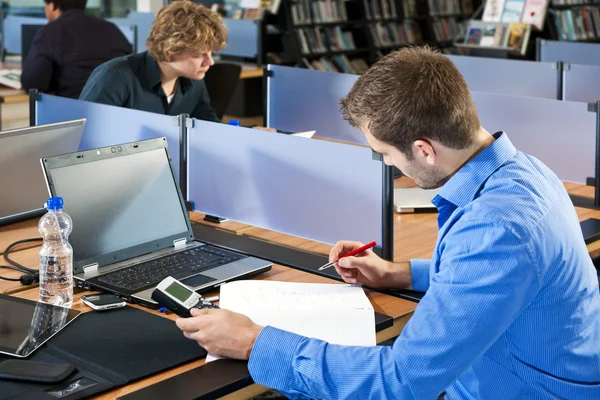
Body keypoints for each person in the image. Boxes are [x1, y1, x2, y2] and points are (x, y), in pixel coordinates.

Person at [176, 46, 600, 399]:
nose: (387, 165)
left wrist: (253, 341)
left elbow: (400, 382)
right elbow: (492, 281)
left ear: (424, 149)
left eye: (386, 154)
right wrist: (398, 274)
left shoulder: (496, 227)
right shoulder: (521, 169)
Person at [79, 0, 223, 123]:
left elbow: (210, 128)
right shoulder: (115, 76)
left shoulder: (194, 79)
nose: (210, 62)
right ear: (169, 51)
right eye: (198, 55)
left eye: (210, 53)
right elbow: (87, 134)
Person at [21, 0, 131, 99]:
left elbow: (32, 84)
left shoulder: (50, 31)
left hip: (74, 113)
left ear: (52, 6)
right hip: (116, 113)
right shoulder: (112, 29)